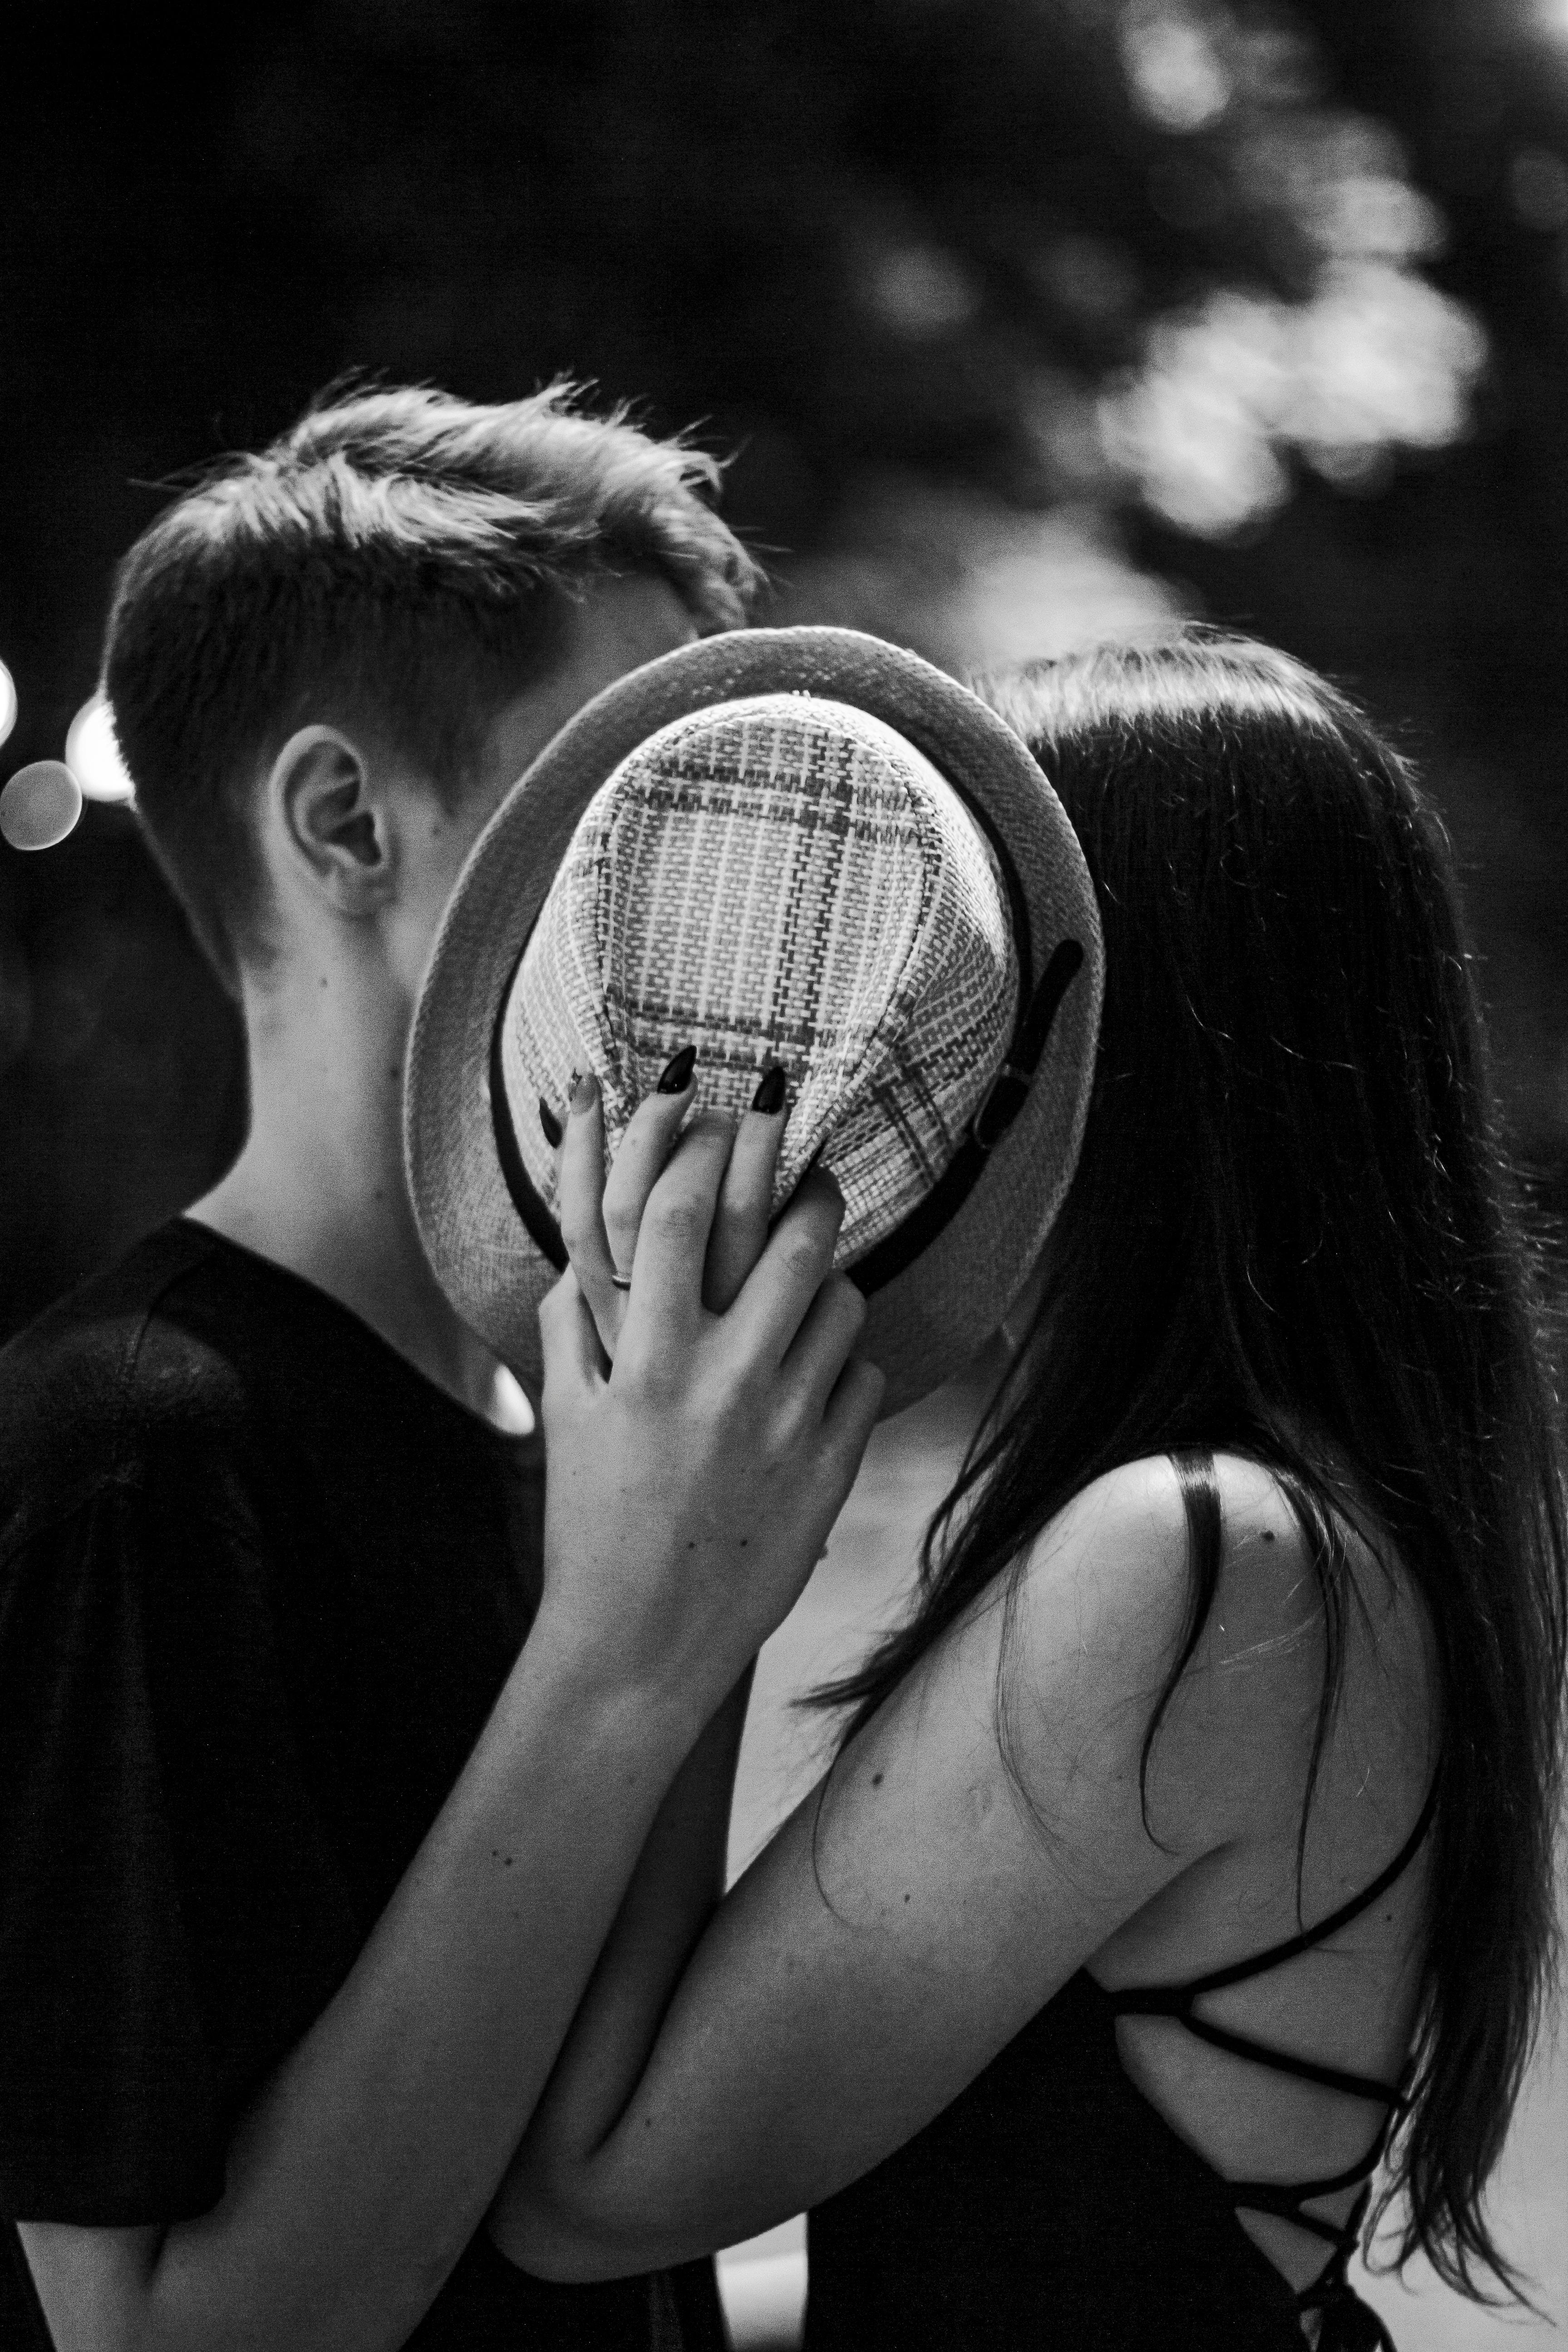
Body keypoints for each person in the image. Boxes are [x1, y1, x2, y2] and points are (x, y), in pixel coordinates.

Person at [485, 632, 1568, 2351]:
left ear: (1105, 1038)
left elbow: (591, 2190)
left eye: (969, 973)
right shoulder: (1298, 1528)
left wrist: (677, 1578)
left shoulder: (1198, 1564)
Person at [0, 384, 894, 2352]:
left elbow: (583, 2204)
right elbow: (173, 2338)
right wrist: (628, 1650)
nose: (719, 884)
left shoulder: (561, 1429)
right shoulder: (135, 1457)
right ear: (344, 825)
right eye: (639, 794)